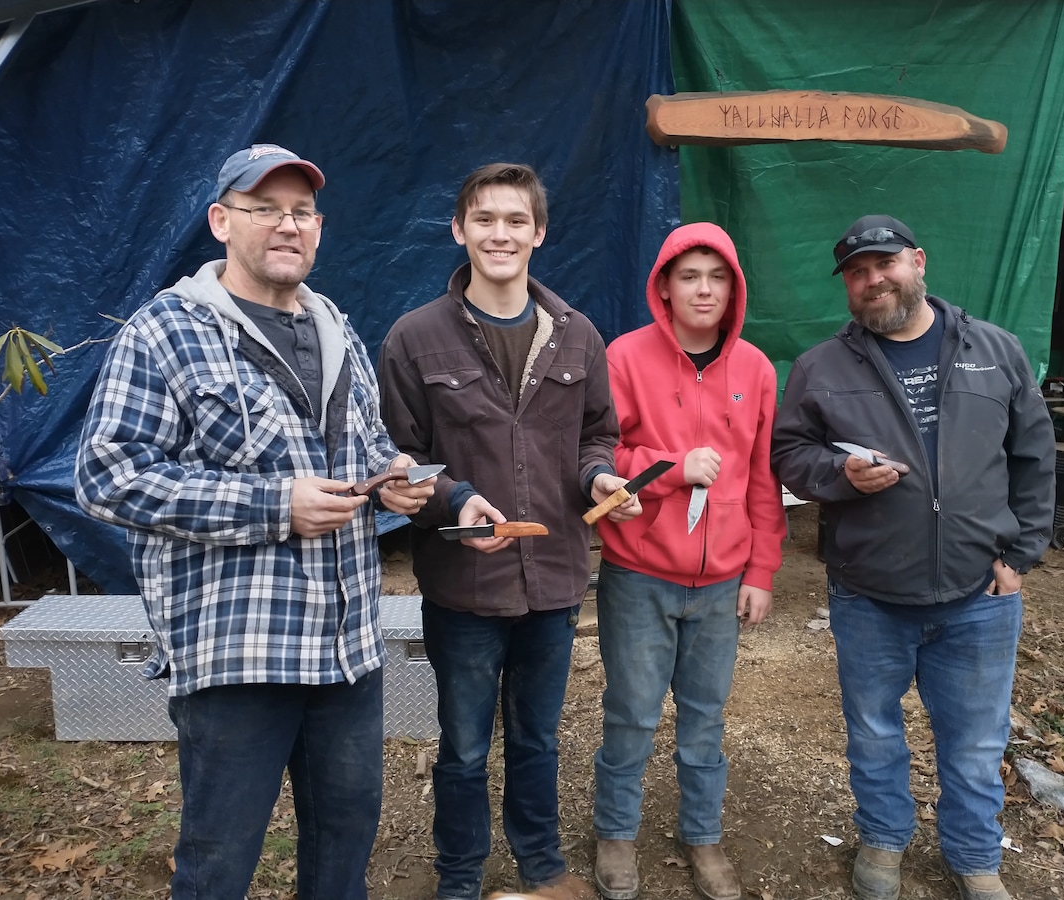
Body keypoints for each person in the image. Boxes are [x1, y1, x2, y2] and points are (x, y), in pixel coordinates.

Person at [75, 144, 434, 900]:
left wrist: (397, 482)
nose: (286, 224)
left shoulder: (335, 327)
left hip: (346, 650)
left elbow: (367, 449)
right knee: (218, 862)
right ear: (220, 221)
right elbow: (107, 476)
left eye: (300, 211)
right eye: (263, 208)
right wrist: (275, 506)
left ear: (320, 227)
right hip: (239, 654)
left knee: (343, 851)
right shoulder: (166, 332)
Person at [771, 215, 1055, 900]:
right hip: (869, 591)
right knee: (873, 734)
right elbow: (789, 454)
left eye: (885, 264)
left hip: (979, 595)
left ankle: (974, 857)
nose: (873, 281)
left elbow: (1035, 455)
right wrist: (841, 478)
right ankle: (883, 841)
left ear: (918, 261)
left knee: (977, 742)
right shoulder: (822, 368)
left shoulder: (995, 350)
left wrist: (1019, 555)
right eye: (857, 273)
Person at [377, 162, 639, 900]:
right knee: (462, 747)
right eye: (485, 219)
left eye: (516, 220)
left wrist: (598, 479)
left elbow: (596, 435)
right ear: (459, 231)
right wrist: (453, 498)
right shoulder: (414, 339)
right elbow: (397, 461)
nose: (501, 234)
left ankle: (541, 864)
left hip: (553, 577)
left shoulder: (578, 337)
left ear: (540, 233)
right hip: (464, 584)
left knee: (537, 739)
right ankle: (458, 875)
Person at [590, 223, 786, 900]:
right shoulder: (624, 357)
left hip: (721, 581)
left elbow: (763, 478)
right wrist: (669, 468)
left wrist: (760, 570)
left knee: (706, 718)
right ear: (664, 287)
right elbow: (598, 457)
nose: (704, 289)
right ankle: (616, 833)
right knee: (633, 713)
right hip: (639, 574)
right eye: (690, 276)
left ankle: (702, 836)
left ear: (734, 288)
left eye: (718, 277)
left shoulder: (756, 369)